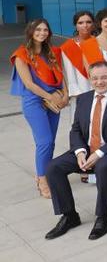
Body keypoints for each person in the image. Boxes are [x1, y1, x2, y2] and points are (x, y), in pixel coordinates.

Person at [44, 62, 107, 241]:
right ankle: (70, 215)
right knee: (53, 167)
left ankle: (103, 217)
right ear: (90, 79)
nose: (99, 82)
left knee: (103, 167)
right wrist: (80, 152)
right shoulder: (84, 98)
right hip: (87, 149)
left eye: (104, 77)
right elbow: (76, 129)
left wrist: (99, 153)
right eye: (95, 78)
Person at [11, 19, 68, 199]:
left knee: (50, 142)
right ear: (31, 31)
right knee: (44, 141)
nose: (42, 33)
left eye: (45, 30)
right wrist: (51, 97)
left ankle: (47, 173)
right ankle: (42, 179)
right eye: (38, 30)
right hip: (35, 100)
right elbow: (28, 84)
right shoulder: (21, 55)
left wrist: (65, 94)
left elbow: (61, 74)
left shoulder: (52, 52)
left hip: (54, 98)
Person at [60, 11, 94, 98]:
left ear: (93, 24)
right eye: (80, 23)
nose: (85, 25)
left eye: (88, 22)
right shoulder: (68, 46)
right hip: (80, 90)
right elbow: (68, 72)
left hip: (101, 86)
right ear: (76, 26)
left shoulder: (99, 42)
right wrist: (74, 92)